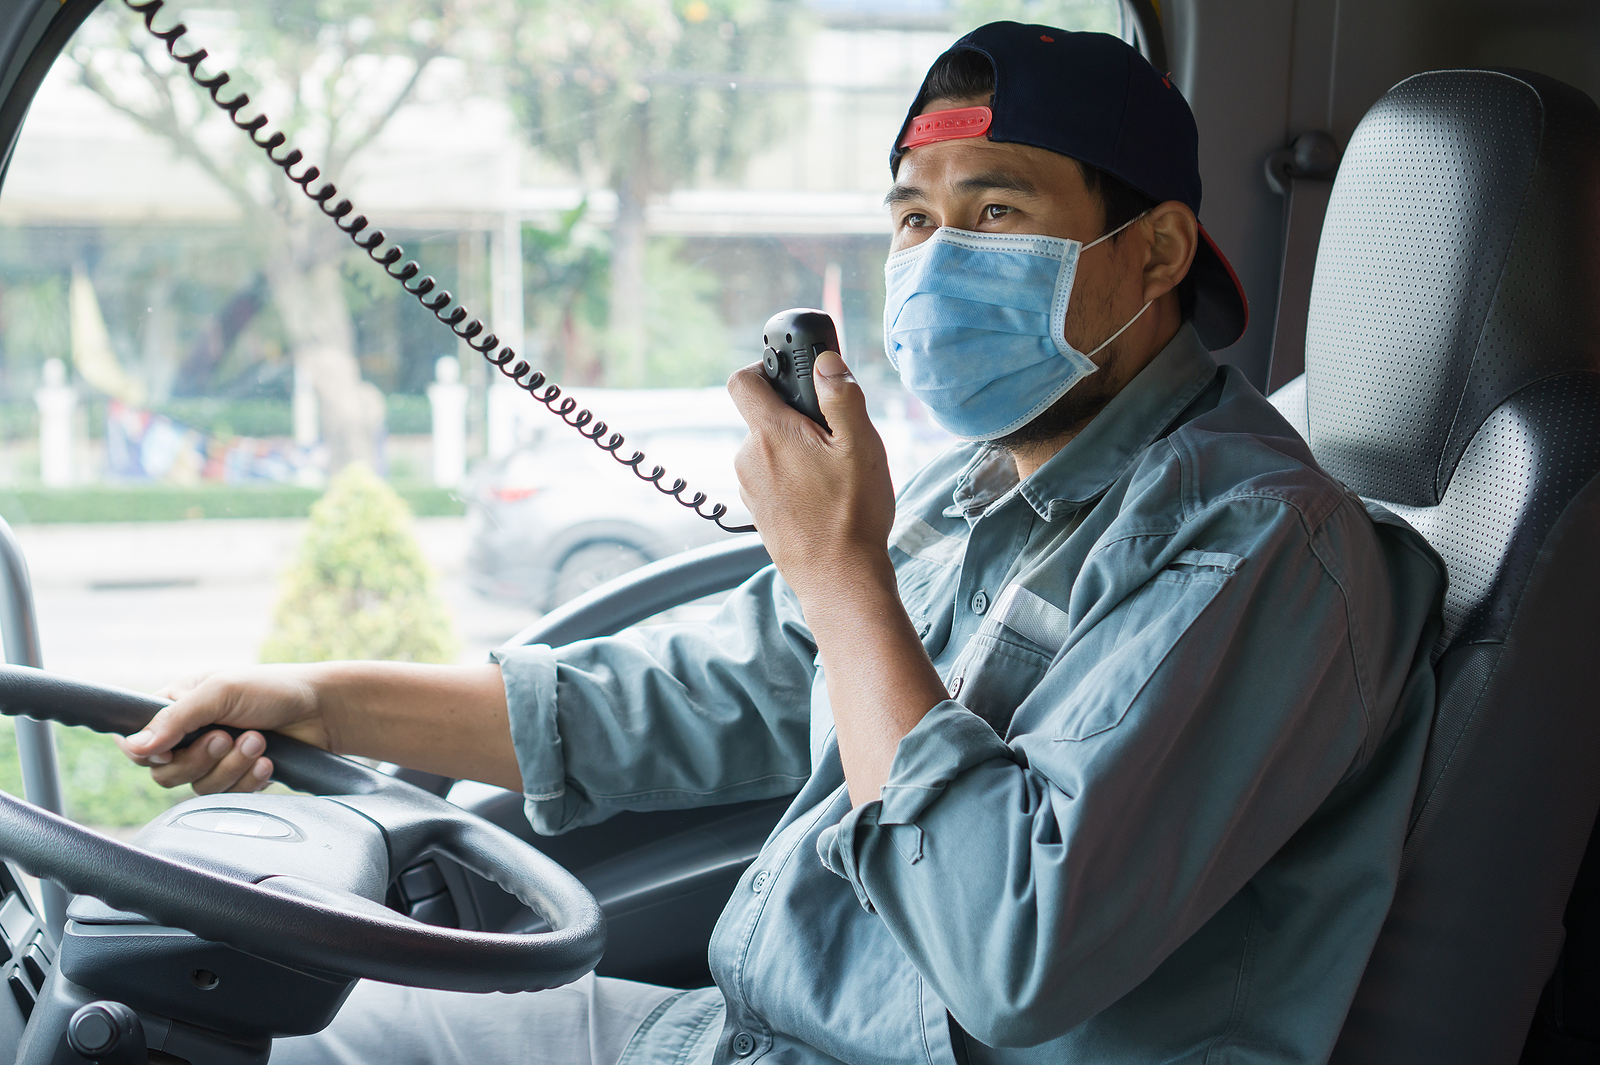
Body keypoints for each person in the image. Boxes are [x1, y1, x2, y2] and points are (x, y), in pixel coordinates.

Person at [120, 23, 1444, 1065]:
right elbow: (696, 691)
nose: (932, 262)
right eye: (914, 221)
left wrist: (841, 569)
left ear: (1155, 253)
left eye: (994, 214)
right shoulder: (981, 490)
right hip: (747, 1037)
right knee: (274, 1008)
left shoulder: (1262, 548)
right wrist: (317, 696)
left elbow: (1008, 953)